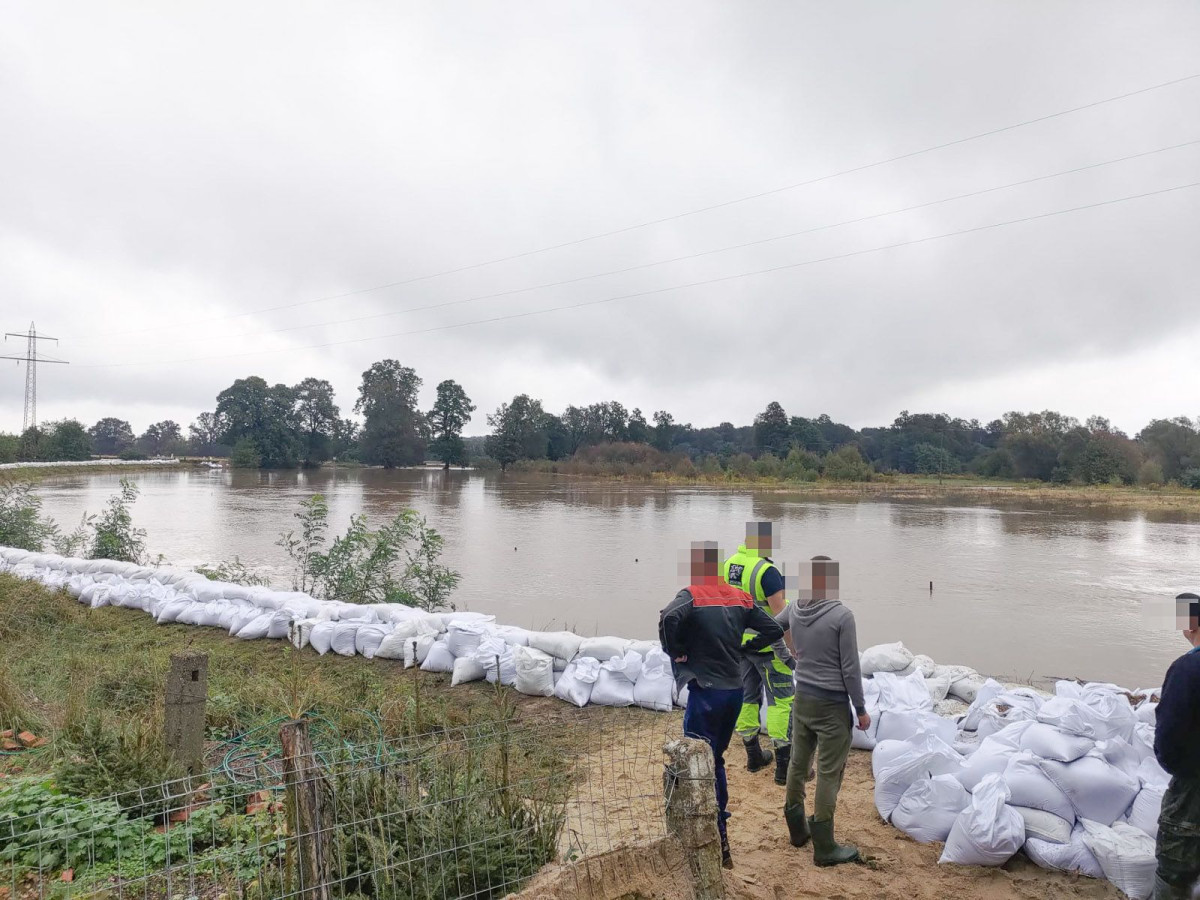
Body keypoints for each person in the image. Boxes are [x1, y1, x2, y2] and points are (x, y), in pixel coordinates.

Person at [660, 540, 785, 870]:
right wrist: (746, 648)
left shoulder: (692, 595)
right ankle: (721, 836)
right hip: (734, 691)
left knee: (698, 764)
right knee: (715, 759)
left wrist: (677, 653)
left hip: (706, 693)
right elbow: (774, 627)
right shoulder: (739, 597)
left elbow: (668, 618)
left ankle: (711, 837)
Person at [774, 555, 867, 866]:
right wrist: (861, 708)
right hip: (832, 707)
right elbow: (851, 669)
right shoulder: (842, 616)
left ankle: (797, 830)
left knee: (798, 765)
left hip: (803, 702)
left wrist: (790, 661)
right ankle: (825, 847)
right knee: (828, 773)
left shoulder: (796, 609)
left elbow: (771, 629)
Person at [722, 521, 795, 784]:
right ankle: (783, 768)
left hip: (740, 646)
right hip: (769, 649)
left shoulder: (729, 564)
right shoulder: (767, 571)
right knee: (781, 703)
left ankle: (753, 756)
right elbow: (780, 615)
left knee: (748, 698)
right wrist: (792, 648)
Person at [1153, 592, 1200, 899]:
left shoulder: (1187, 670)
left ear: (1191, 623)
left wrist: (1182, 769)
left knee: (1174, 870)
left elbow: (1168, 740)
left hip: (1193, 788)